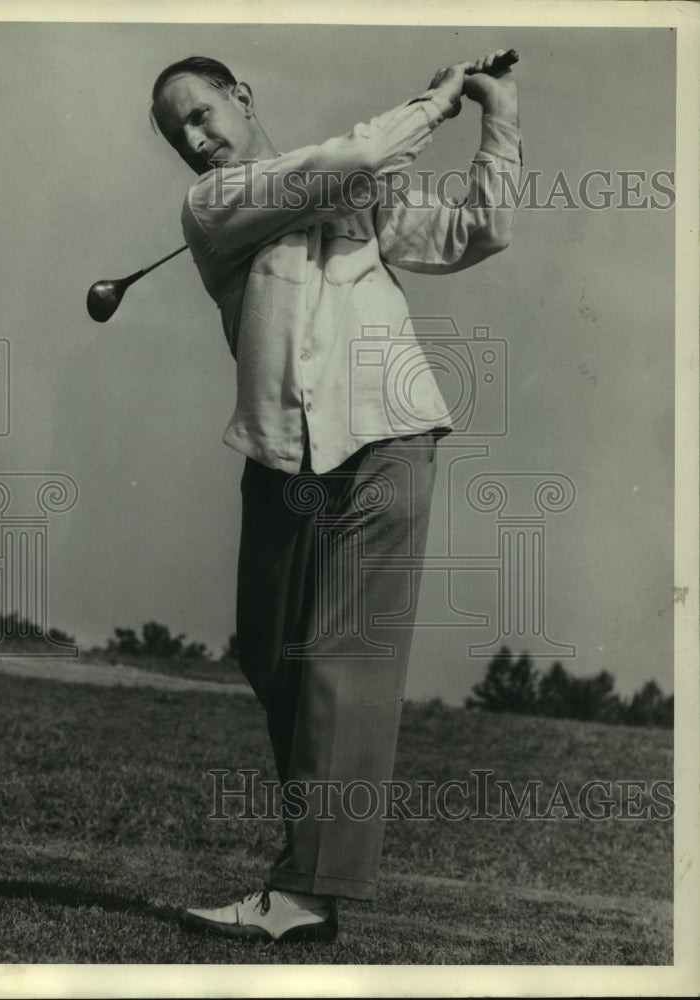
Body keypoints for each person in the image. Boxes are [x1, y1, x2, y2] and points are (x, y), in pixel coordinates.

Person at [150, 50, 521, 943]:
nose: (193, 140)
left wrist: (497, 117)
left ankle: (306, 892)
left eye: (201, 114)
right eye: (175, 133)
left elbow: (480, 230)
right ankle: (312, 874)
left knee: (342, 665)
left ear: (242, 96)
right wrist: (431, 104)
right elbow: (340, 163)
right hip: (280, 456)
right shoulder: (214, 205)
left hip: (387, 435)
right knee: (273, 658)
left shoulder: (354, 184)